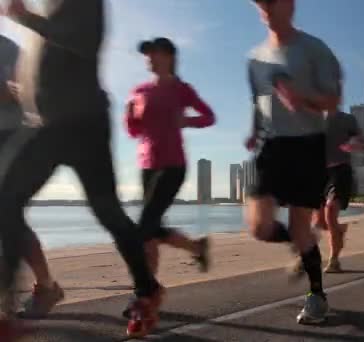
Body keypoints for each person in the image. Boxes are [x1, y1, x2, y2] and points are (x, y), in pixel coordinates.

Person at [0, 0, 163, 338]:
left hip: (83, 121)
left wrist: (23, 17)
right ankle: (5, 312)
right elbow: (48, 61)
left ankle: (147, 290)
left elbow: (84, 41)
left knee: (107, 212)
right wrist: (24, 90)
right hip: (46, 123)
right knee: (6, 199)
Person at [246, 0, 342, 324]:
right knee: (259, 226)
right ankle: (305, 246)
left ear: (290, 4)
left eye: (272, 2)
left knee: (300, 225)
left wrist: (302, 100)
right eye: (260, 4)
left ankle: (317, 294)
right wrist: (254, 131)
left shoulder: (314, 49)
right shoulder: (255, 58)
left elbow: (333, 100)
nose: (266, 9)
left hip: (307, 146)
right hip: (270, 146)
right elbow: (260, 103)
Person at [124, 37, 214, 277]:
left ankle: (145, 291)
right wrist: (129, 116)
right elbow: (133, 132)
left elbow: (209, 116)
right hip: (146, 165)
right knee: (151, 229)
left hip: (173, 164)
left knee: (145, 226)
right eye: (147, 54)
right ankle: (194, 248)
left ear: (170, 58)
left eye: (155, 53)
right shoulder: (139, 91)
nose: (149, 58)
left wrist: (187, 121)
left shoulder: (181, 89)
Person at [0, 32, 64, 320]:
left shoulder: (9, 48)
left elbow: (27, 91)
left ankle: (45, 286)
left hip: (11, 137)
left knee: (9, 215)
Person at [312, 111, 364, 273]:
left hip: (340, 171)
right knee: (319, 223)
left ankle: (334, 260)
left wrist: (354, 144)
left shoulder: (347, 119)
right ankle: (338, 230)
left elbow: (361, 142)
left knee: (330, 212)